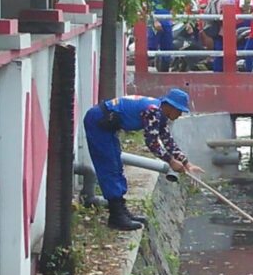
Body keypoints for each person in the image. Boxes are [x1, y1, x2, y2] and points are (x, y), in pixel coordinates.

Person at [83, 89, 204, 231]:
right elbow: (152, 142)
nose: (179, 115)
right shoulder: (152, 111)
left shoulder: (160, 113)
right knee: (109, 166)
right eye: (179, 111)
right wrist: (171, 162)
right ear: (171, 107)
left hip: (109, 125)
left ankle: (121, 210)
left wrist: (186, 163)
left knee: (117, 165)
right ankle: (116, 216)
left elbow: (167, 140)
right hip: (99, 122)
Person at [203, 0, 234, 72]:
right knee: (223, 51)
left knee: (217, 50)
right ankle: (220, 71)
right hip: (221, 29)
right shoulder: (225, 0)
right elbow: (225, 16)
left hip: (212, 26)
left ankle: (216, 70)